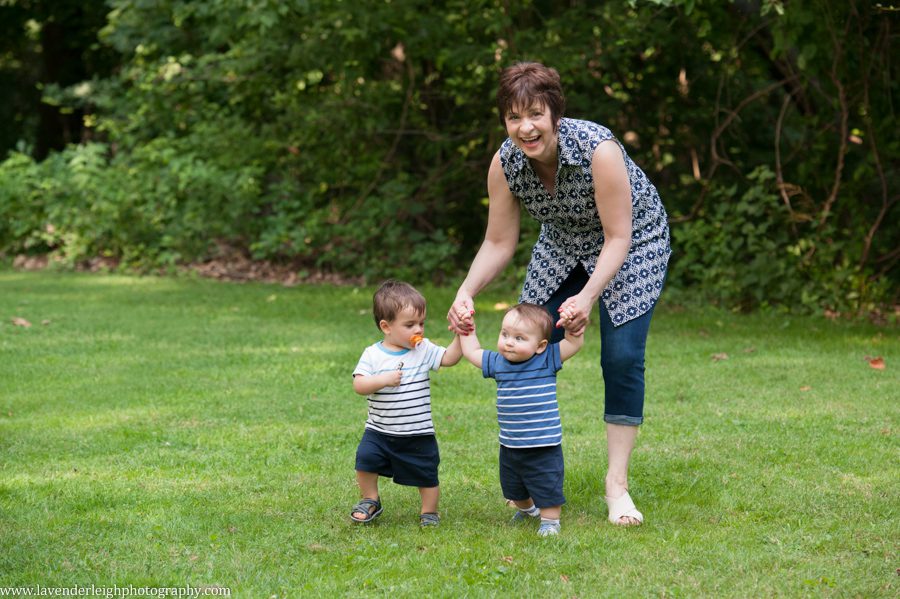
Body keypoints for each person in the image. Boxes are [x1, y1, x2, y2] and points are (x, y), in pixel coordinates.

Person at [447, 62, 671, 526]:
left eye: (535, 114)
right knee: (525, 342)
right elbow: (498, 241)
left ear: (555, 113)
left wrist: (587, 298)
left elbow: (618, 237)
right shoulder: (505, 162)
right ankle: (530, 476)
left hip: (632, 241)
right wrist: (465, 290)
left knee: (623, 358)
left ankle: (617, 485)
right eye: (513, 117)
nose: (525, 127)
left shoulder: (597, 150)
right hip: (562, 243)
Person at [458, 303, 583, 536]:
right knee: (513, 488)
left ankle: (550, 521)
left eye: (519, 338)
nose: (509, 342)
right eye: (504, 334)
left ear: (540, 346)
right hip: (510, 443)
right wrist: (468, 331)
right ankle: (528, 510)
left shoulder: (547, 359)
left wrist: (572, 326)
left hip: (543, 443)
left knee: (547, 484)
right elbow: (472, 352)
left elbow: (573, 343)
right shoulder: (498, 363)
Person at [351, 280, 461, 527]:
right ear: (386, 326)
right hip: (379, 430)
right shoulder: (373, 354)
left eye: (421, 323)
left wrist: (460, 335)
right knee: (365, 461)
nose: (418, 329)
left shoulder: (423, 349)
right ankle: (370, 499)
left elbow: (450, 358)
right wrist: (383, 379)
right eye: (410, 324)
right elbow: (359, 385)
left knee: (426, 474)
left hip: (417, 432)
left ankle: (429, 511)